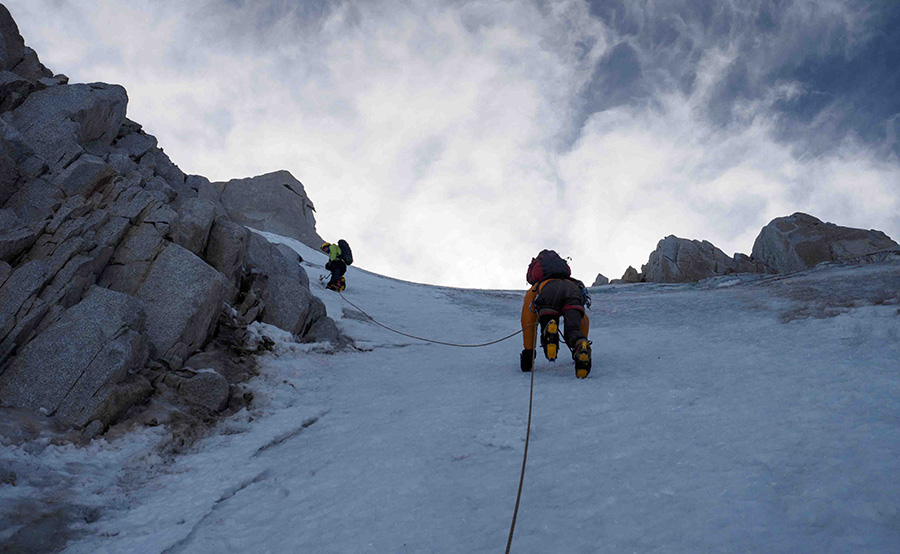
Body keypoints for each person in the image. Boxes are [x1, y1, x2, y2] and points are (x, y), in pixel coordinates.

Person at [520, 250, 592, 378]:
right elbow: (584, 320)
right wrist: (583, 338)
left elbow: (528, 317)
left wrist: (528, 354)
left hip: (549, 290)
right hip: (573, 291)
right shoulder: (572, 281)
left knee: (548, 318)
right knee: (573, 329)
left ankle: (549, 330)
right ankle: (580, 344)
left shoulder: (537, 286)